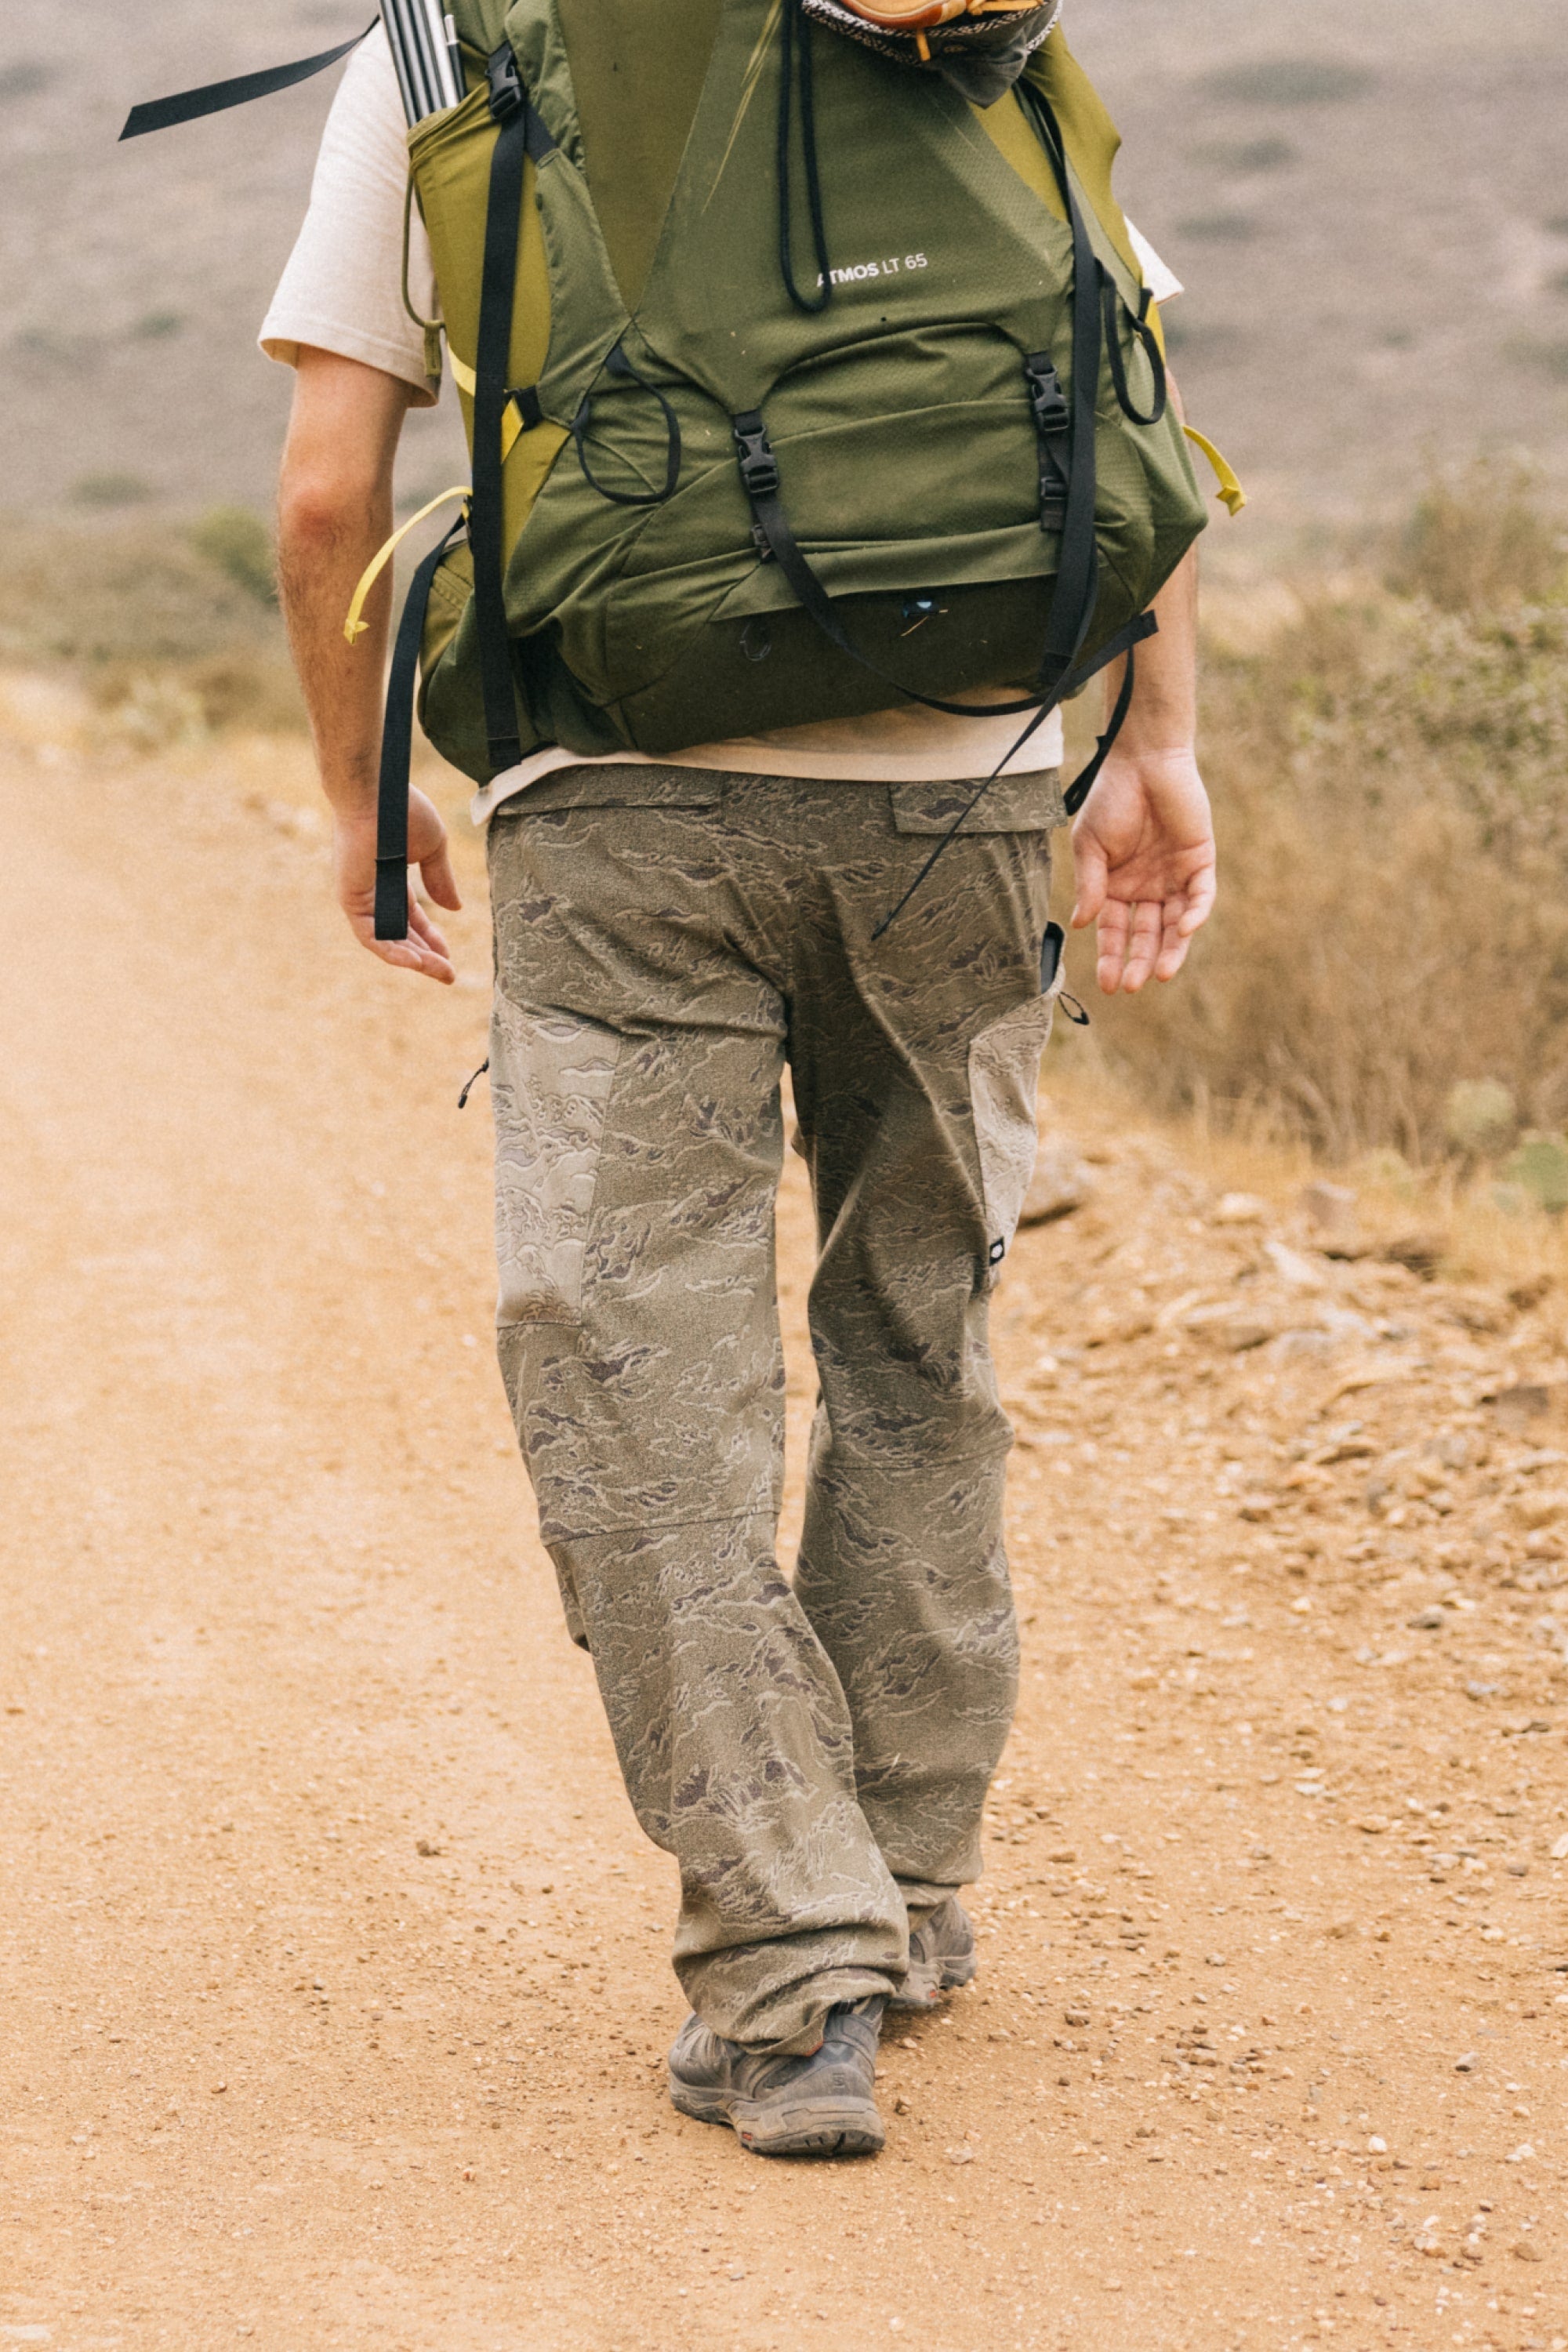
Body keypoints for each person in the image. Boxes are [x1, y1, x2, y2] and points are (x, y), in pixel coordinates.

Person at [264, 11, 1216, 2159]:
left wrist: (357, 789)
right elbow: (1124, 388)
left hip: (624, 814)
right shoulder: (968, 23)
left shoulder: (451, 43)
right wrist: (1153, 745)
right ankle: (915, 1883)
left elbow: (337, 495)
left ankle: (794, 1963)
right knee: (917, 1340)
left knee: (634, 1372)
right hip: (968, 800)